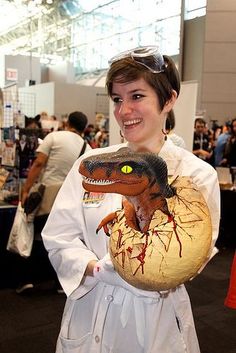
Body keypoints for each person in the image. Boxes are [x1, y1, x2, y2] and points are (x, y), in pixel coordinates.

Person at [42, 46, 220, 352]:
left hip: (155, 319)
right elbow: (58, 235)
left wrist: (132, 266)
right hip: (90, 310)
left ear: (169, 99)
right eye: (117, 99)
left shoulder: (195, 176)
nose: (124, 111)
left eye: (136, 96)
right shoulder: (94, 165)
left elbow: (189, 255)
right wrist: (95, 268)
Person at [17, 111, 91, 294]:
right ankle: (60, 283)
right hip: (72, 198)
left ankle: (29, 280)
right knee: (65, 239)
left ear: (67, 123)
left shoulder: (54, 137)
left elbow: (39, 164)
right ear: (83, 128)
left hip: (49, 195)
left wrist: (26, 189)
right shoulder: (87, 147)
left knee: (37, 236)